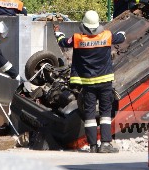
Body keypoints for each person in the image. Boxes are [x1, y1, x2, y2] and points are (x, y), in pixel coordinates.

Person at [54, 10, 126, 153]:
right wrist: (122, 33)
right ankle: (105, 144)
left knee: (90, 113)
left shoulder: (77, 38)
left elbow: (63, 42)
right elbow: (121, 37)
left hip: (88, 83)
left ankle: (93, 145)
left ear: (84, 25)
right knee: (105, 112)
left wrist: (58, 33)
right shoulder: (107, 36)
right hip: (105, 81)